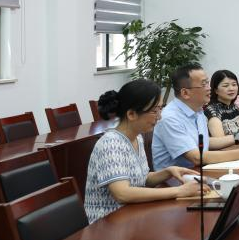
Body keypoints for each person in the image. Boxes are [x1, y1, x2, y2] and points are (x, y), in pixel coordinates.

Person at [84, 79, 207, 224]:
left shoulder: (137, 138)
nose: (159, 116)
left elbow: (141, 179)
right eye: (154, 111)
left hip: (132, 216)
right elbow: (122, 193)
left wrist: (168, 171)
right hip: (107, 224)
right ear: (131, 114)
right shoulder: (111, 143)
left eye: (160, 109)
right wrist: (179, 191)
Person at [152, 64, 239, 171]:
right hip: (178, 178)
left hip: (200, 171)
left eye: (207, 83)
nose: (209, 88)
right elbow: (196, 157)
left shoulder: (198, 110)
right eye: (204, 84)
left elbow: (205, 143)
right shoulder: (170, 118)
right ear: (185, 93)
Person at [205, 69, 239, 139]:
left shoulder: (233, 107)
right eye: (226, 86)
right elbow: (221, 141)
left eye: (234, 85)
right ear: (215, 90)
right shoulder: (213, 111)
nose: (231, 89)